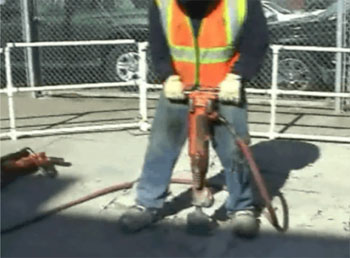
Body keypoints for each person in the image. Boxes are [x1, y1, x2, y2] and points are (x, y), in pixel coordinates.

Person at [120, 0, 269, 238]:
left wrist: (239, 75)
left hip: (225, 86)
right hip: (179, 85)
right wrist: (166, 75)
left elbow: (256, 39)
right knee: (161, 146)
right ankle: (147, 203)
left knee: (235, 151)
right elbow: (158, 41)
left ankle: (241, 208)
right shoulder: (162, 2)